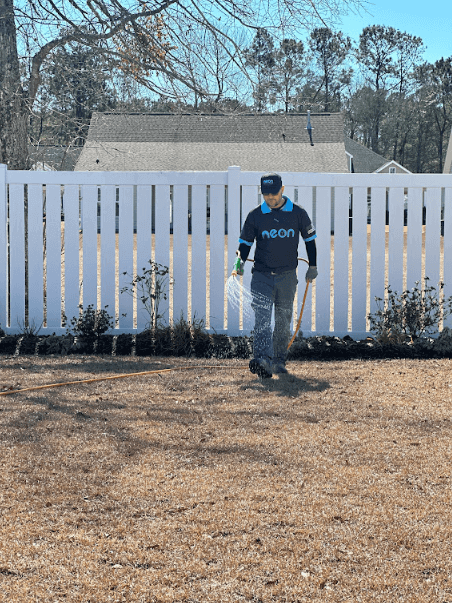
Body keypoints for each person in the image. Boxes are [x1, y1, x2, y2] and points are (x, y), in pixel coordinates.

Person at [232, 173, 318, 378]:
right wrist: (239, 263)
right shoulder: (255, 215)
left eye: (274, 193)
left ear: (283, 189)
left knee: (282, 320)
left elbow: (310, 241)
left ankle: (279, 360)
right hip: (261, 276)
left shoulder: (297, 213)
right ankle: (262, 359)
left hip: (287, 277)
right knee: (262, 320)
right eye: (266, 194)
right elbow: (245, 244)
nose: (270, 197)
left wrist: (313, 266)